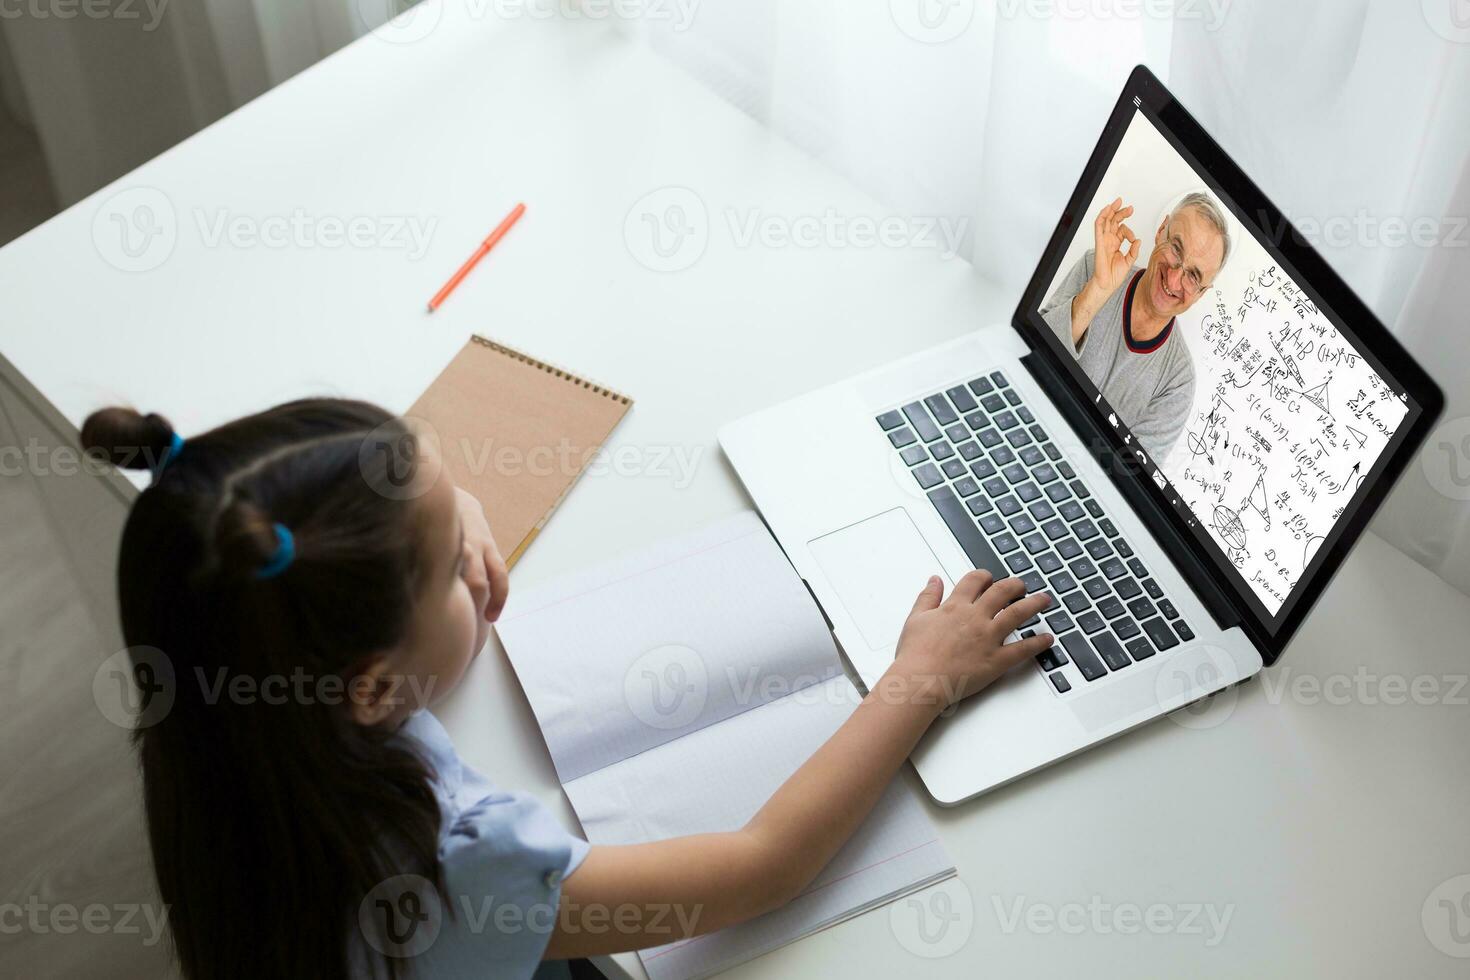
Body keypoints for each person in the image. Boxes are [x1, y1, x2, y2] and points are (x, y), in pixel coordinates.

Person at [82, 399, 1056, 980]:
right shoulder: (465, 869)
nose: (476, 532)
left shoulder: (225, 728)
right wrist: (919, 678)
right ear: (372, 686)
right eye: (454, 560)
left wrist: (444, 572)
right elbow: (761, 866)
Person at [1041, 192, 1231, 459]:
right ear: (1161, 230)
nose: (1174, 278)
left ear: (1201, 293)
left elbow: (1129, 475)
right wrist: (1098, 290)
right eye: (1176, 248)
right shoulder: (1096, 268)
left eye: (1193, 276)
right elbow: (1032, 354)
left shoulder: (1178, 382)